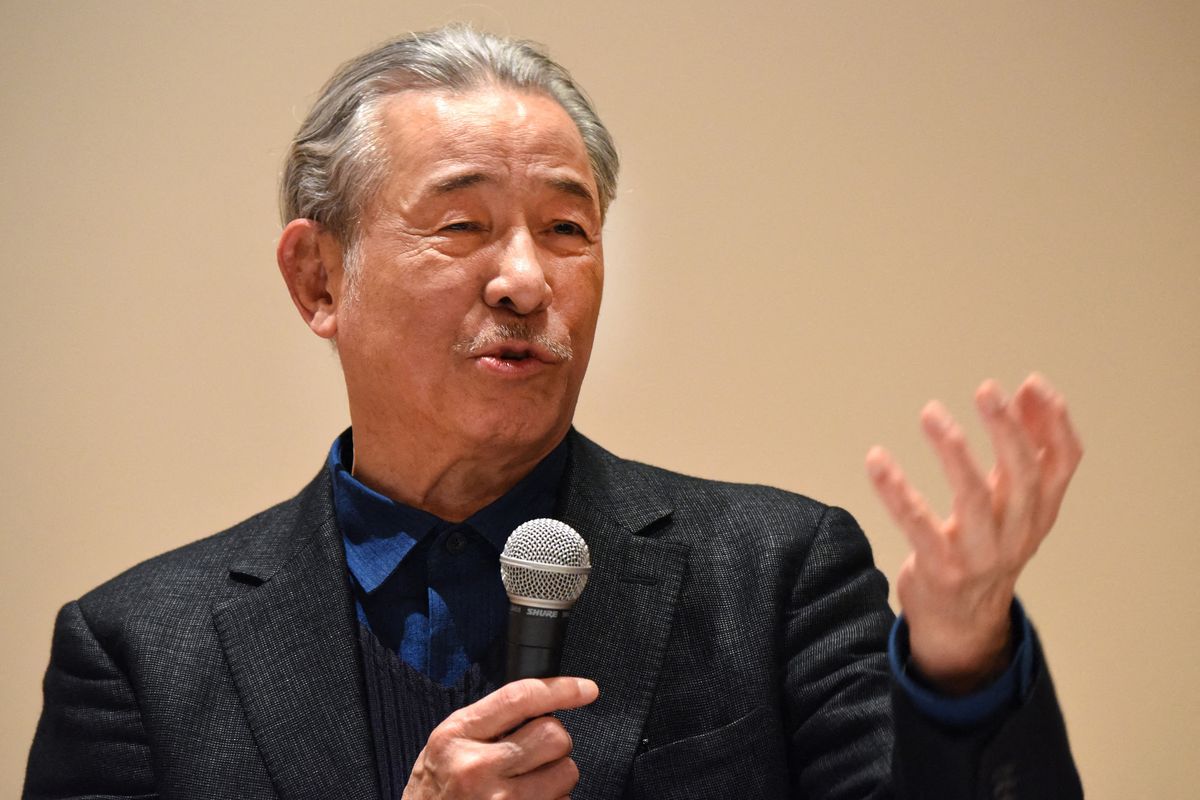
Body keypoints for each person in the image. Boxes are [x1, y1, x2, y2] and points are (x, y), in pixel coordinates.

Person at [24, 25, 1083, 799]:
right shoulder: (137, 651)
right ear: (317, 280)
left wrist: (959, 661)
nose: (526, 279)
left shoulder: (778, 573)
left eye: (567, 229)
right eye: (463, 223)